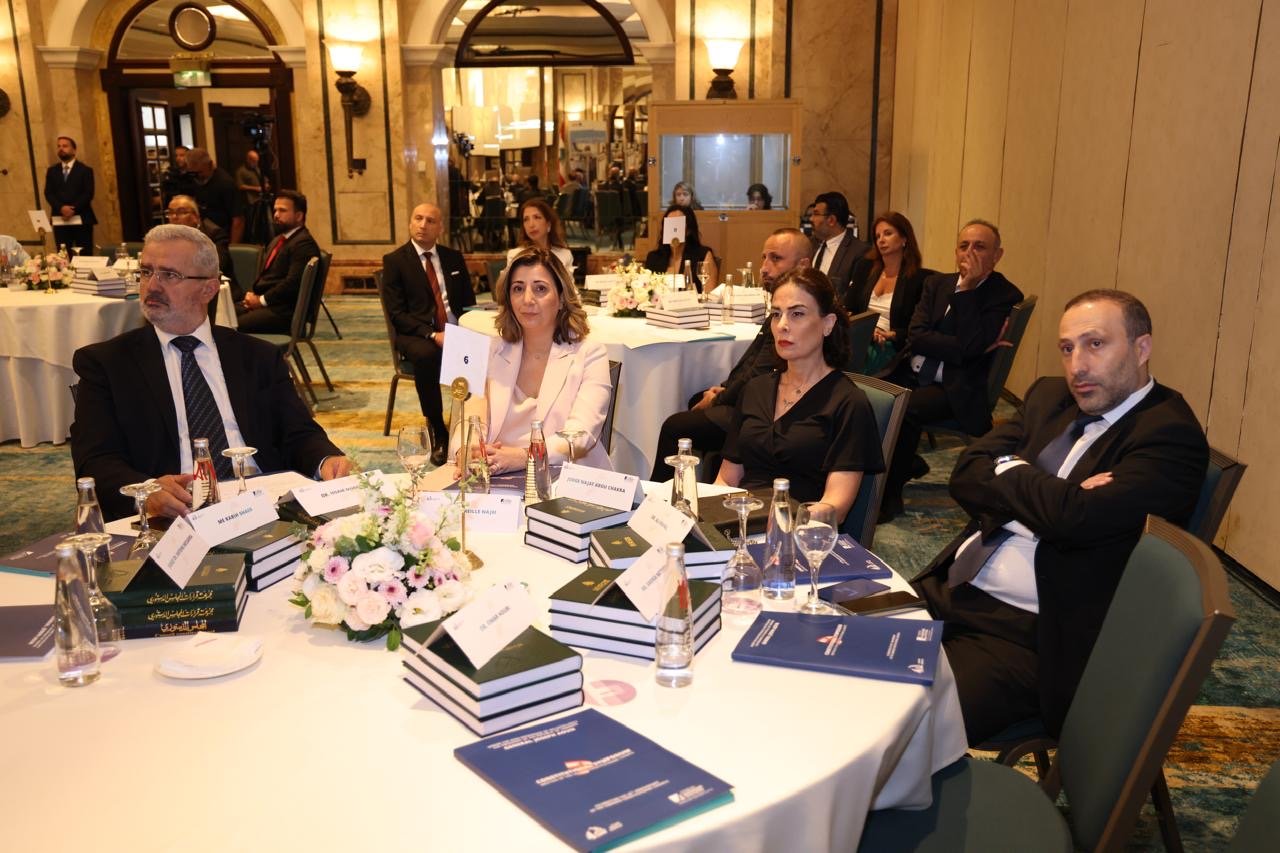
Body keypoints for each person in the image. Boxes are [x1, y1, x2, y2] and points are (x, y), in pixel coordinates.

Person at [912, 290, 1208, 743]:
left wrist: (1011, 471)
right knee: (828, 652)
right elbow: (967, 473)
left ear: (1142, 348)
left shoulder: (1169, 436)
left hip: (1028, 634)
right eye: (1067, 348)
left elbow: (1073, 519)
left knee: (899, 720)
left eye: (1095, 344)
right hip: (951, 589)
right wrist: (1048, 496)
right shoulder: (1050, 396)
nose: (1077, 366)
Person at [70, 224, 351, 521]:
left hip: (264, 505)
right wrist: (148, 490)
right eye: (146, 272)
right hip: (174, 516)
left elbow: (298, 433)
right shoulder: (107, 364)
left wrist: (326, 459)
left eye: (169, 275)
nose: (152, 286)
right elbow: (95, 462)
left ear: (209, 288)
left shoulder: (258, 357)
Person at [879, 219, 1024, 521]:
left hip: (955, 386)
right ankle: (905, 464)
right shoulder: (936, 284)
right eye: (963, 246)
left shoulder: (1004, 294)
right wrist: (962, 347)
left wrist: (967, 291)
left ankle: (888, 495)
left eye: (979, 247)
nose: (969, 253)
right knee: (866, 397)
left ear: (997, 255)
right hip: (912, 371)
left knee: (903, 408)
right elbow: (916, 335)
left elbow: (969, 347)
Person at [715, 267, 884, 523]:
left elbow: (835, 508)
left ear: (828, 324)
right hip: (740, 524)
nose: (782, 325)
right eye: (776, 314)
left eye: (797, 314)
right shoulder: (756, 389)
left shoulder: (848, 402)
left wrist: (777, 521)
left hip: (802, 532)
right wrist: (710, 520)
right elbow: (727, 479)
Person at [650, 227, 812, 481]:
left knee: (675, 427)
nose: (764, 268)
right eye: (764, 258)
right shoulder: (783, 306)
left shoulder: (800, 312)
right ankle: (708, 478)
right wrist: (723, 389)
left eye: (776, 258)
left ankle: (663, 498)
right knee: (695, 399)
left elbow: (759, 374)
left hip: (768, 408)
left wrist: (719, 398)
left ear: (803, 264)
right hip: (757, 395)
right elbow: (751, 363)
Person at [470, 247, 612, 473]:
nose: (527, 299)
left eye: (540, 289)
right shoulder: (491, 351)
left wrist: (522, 457)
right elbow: (469, 418)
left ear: (562, 298)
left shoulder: (591, 354)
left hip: (566, 477)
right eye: (518, 288)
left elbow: (581, 435)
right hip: (497, 476)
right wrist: (467, 451)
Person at [381, 202, 476, 464]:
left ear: (440, 227)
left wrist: (469, 329)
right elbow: (397, 315)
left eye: (430, 221)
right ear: (410, 223)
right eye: (418, 218)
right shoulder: (395, 261)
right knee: (427, 356)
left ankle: (474, 424)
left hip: (455, 329)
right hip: (415, 333)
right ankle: (437, 428)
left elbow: (468, 302)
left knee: (489, 349)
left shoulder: (453, 257)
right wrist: (433, 335)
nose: (423, 225)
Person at [845, 211, 932, 373]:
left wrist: (892, 334)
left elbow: (918, 327)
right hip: (861, 335)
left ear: (904, 238)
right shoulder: (865, 268)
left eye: (888, 233)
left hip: (891, 344)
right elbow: (849, 308)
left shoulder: (919, 279)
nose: (881, 240)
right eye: (877, 236)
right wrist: (867, 330)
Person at [237, 189, 320, 334]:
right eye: (275, 210)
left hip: (284, 312)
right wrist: (253, 296)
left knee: (230, 325)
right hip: (271, 305)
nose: (276, 215)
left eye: (282, 210)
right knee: (221, 315)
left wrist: (261, 300)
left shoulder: (304, 244)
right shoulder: (278, 240)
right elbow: (268, 278)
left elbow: (292, 284)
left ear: (299, 216)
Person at [166, 194, 236, 299]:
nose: (174, 217)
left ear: (196, 217)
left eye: (181, 212)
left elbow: (216, 265)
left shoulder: (214, 234)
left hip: (217, 294)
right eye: (170, 212)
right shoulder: (167, 237)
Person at [809, 191, 869, 301]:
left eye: (816, 214)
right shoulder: (810, 244)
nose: (811, 219)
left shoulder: (859, 251)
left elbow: (855, 296)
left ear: (831, 220)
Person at [644, 205, 718, 290]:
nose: (672, 229)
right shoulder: (653, 258)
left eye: (677, 224)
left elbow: (709, 294)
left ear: (688, 230)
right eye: (669, 224)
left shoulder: (702, 256)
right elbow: (647, 291)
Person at [43, 136, 96, 252]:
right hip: (60, 219)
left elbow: (88, 193)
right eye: (59, 146)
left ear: (74, 150)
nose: (61, 148)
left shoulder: (85, 170)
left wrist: (72, 209)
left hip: (82, 218)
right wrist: (61, 208)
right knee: (63, 255)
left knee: (85, 254)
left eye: (65, 146)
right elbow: (48, 193)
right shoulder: (52, 171)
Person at [506, 198, 575, 275]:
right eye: (526, 219)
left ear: (548, 224)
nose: (531, 225)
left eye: (537, 217)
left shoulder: (564, 255)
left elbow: (569, 283)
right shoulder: (515, 255)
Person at [185, 147, 241, 234]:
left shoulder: (225, 183)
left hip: (222, 234)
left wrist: (233, 243)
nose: (197, 176)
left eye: (200, 172)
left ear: (210, 165)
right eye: (193, 173)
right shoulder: (193, 179)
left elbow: (238, 219)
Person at [233, 149, 266, 243]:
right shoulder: (241, 171)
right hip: (249, 202)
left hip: (260, 200)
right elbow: (240, 186)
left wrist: (265, 185)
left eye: (257, 161)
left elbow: (263, 179)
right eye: (254, 161)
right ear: (248, 160)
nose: (256, 163)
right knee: (251, 224)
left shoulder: (257, 169)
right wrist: (256, 188)